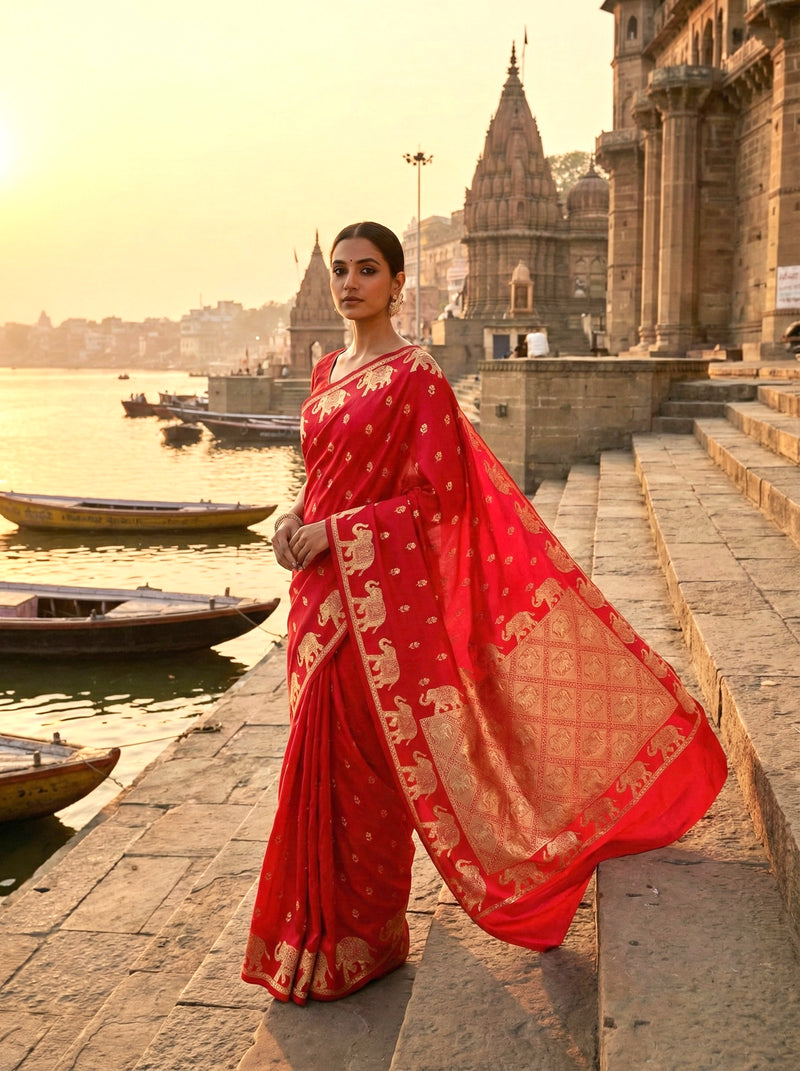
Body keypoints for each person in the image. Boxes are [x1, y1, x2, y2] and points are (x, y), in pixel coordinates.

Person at [242, 221, 726, 1006]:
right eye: (340, 270)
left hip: (373, 618)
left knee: (362, 778)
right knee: (315, 771)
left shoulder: (417, 376)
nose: (350, 282)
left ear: (398, 283)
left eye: (368, 269)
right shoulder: (327, 370)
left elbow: (439, 500)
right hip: (319, 604)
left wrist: (336, 532)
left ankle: (365, 940)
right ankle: (314, 937)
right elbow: (322, 473)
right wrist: (293, 518)